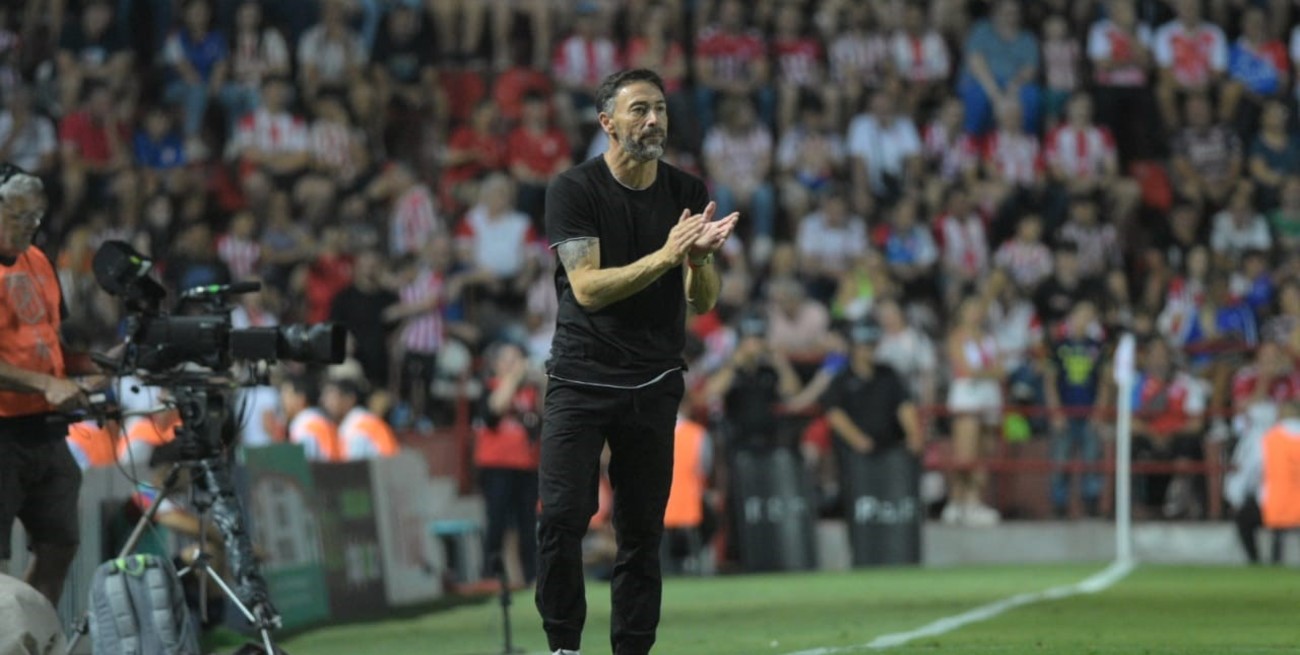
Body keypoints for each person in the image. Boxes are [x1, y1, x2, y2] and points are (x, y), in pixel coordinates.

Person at [537, 69, 738, 655]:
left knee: (642, 530)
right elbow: (587, 289)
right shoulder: (574, 190)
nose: (654, 121)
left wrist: (698, 261)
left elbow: (702, 301)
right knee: (563, 518)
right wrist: (669, 255)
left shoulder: (686, 190)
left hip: (654, 378)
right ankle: (564, 646)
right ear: (608, 122)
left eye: (660, 110)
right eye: (640, 110)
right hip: (579, 375)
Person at [0, 165, 100, 604]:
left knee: (59, 545)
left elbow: (50, 339)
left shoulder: (38, 259)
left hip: (46, 429)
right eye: (19, 216)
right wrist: (45, 383)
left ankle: (32, 634)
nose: (30, 226)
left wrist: (95, 366)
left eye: (35, 216)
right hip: (3, 429)